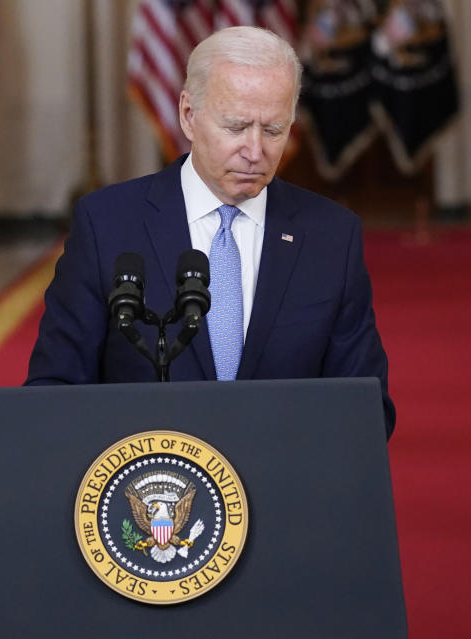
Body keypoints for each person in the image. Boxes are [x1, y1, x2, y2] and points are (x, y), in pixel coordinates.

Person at [25, 26, 395, 438]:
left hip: (284, 491)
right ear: (188, 115)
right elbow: (52, 392)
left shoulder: (331, 236)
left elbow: (368, 407)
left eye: (273, 130)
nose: (256, 152)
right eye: (236, 128)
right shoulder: (106, 224)